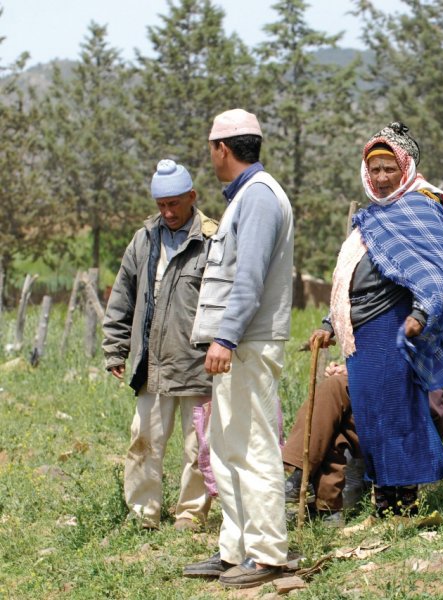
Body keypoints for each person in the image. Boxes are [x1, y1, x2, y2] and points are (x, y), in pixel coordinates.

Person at [309, 121, 443, 518]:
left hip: (391, 326)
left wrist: (419, 313)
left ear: (405, 168)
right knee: (371, 419)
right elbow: (352, 277)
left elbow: (437, 270)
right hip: (361, 333)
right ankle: (385, 505)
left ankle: (404, 507)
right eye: (374, 170)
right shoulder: (370, 218)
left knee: (397, 415)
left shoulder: (420, 207)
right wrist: (330, 324)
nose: (380, 178)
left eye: (388, 170)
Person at [182, 108, 294, 590]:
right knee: (226, 447)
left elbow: (247, 278)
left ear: (221, 149)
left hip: (247, 342)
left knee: (252, 447)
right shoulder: (247, 197)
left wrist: (225, 336)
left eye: (211, 149)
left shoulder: (260, 199)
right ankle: (236, 549)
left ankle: (267, 552)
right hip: (237, 343)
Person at [102, 159, 217, 532]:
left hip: (198, 363)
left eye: (174, 204)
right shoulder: (144, 239)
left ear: (191, 197)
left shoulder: (213, 239)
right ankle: (142, 514)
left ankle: (191, 514)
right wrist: (116, 348)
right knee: (144, 438)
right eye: (161, 205)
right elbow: (123, 295)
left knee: (197, 444)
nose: (167, 212)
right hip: (151, 363)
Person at [281, 362, 443, 525]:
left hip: (411, 419)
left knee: (334, 389)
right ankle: (326, 508)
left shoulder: (413, 338)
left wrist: (358, 369)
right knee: (336, 415)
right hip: (380, 408)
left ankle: (310, 486)